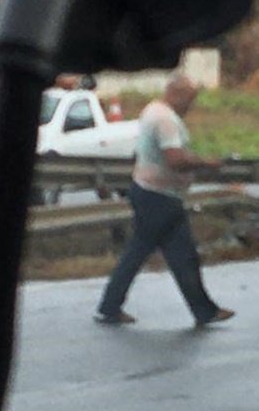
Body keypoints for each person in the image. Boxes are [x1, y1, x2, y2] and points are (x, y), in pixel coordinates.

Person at [95, 74, 235, 327]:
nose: (190, 106)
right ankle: (109, 307)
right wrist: (206, 164)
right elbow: (176, 160)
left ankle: (203, 310)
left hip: (155, 193)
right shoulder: (165, 120)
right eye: (189, 100)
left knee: (178, 256)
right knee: (143, 253)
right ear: (177, 94)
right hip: (158, 197)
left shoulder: (153, 109)